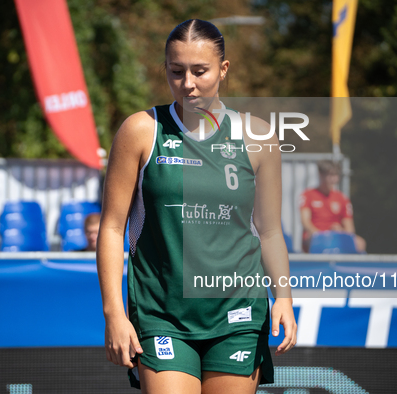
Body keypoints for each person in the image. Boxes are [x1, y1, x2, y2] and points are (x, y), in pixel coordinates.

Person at [97, 19, 296, 394]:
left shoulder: (258, 137)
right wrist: (113, 313)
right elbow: (111, 228)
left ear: (223, 69)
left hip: (238, 312)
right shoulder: (141, 130)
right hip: (162, 313)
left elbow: (268, 231)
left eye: (199, 71)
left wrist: (283, 295)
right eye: (176, 71)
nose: (187, 83)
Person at [300, 160, 366, 252]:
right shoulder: (308, 195)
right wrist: (320, 234)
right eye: (330, 175)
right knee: (316, 240)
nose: (334, 179)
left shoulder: (342, 198)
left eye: (336, 175)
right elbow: (305, 221)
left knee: (360, 243)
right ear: (321, 175)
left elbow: (350, 228)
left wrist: (341, 231)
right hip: (316, 235)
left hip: (337, 236)